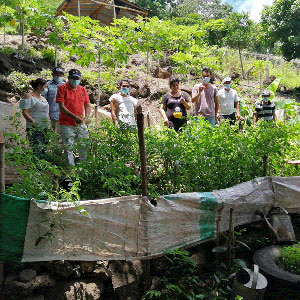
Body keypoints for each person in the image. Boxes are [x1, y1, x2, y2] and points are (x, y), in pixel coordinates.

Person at [56, 69, 91, 166]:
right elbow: (62, 107)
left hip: (80, 123)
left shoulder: (82, 89)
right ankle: (70, 169)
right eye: (73, 78)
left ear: (80, 79)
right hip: (66, 123)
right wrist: (75, 117)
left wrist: (86, 118)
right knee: (68, 148)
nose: (75, 80)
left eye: (77, 78)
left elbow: (87, 105)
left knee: (84, 145)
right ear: (69, 78)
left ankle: (83, 166)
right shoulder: (62, 88)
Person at [19, 78, 50, 156]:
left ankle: (41, 166)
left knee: (44, 148)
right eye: (45, 86)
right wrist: (33, 122)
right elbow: (25, 112)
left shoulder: (43, 98)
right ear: (39, 86)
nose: (46, 88)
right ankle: (37, 166)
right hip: (34, 127)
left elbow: (46, 112)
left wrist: (49, 125)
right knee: (37, 149)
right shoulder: (29, 96)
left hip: (45, 127)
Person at [43, 67, 65, 133]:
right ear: (53, 74)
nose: (58, 76)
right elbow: (44, 100)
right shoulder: (47, 85)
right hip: (51, 115)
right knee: (52, 135)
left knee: (62, 136)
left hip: (63, 115)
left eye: (60, 75)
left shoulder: (65, 85)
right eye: (56, 74)